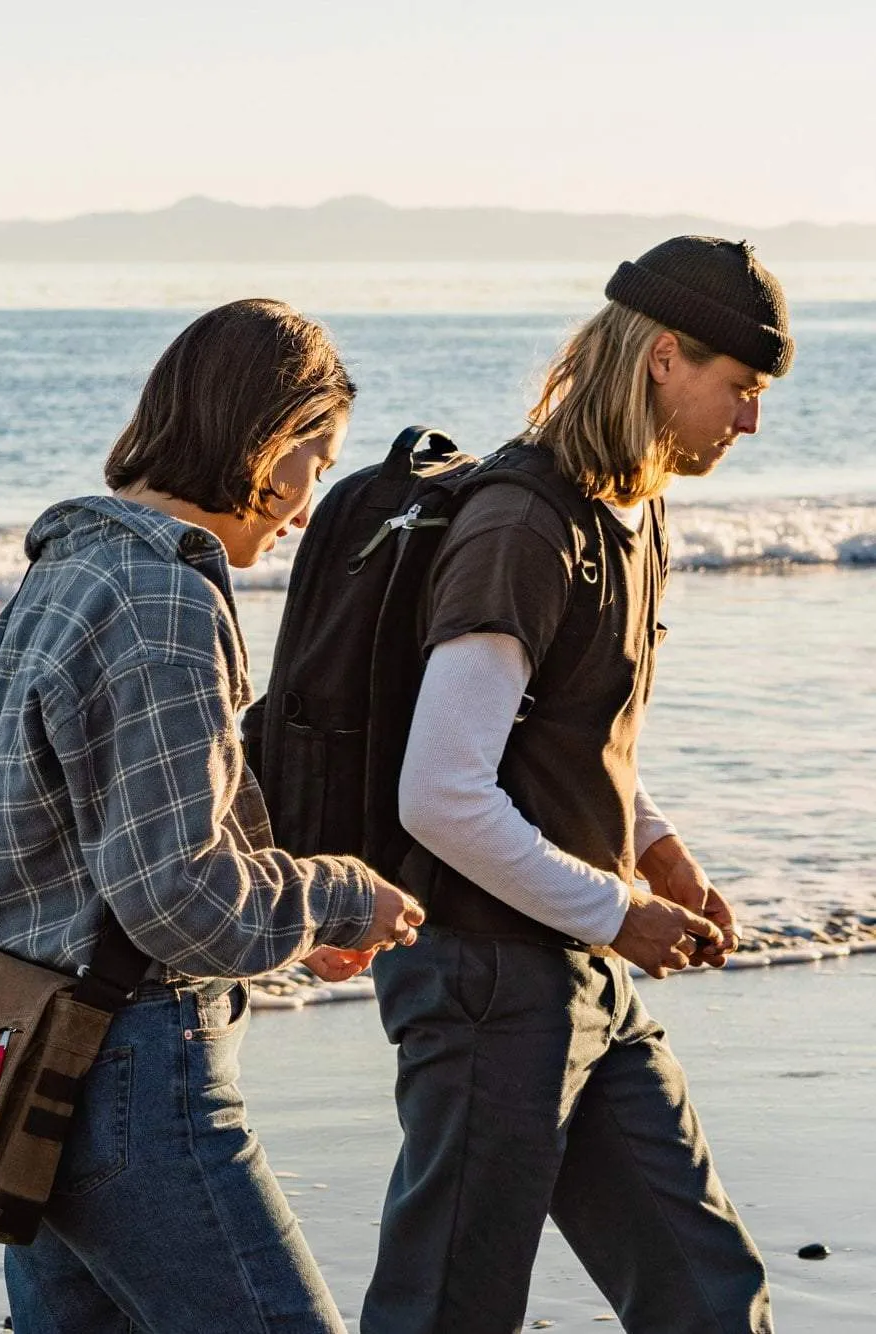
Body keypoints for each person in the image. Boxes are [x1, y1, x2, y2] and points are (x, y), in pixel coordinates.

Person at [0, 298, 426, 1334]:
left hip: (27, 1062)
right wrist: (339, 892)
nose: (306, 501)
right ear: (267, 437)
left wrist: (285, 919)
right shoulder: (166, 595)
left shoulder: (66, 566)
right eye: (316, 457)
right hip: (132, 1076)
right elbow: (178, 896)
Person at [361, 237, 792, 1334]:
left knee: (708, 1293)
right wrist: (616, 908)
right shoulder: (523, 523)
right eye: (738, 387)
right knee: (450, 1311)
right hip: (485, 977)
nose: (749, 421)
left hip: (581, 966)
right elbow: (440, 793)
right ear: (661, 358)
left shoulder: (630, 510)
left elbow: (565, 726)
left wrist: (653, 844)